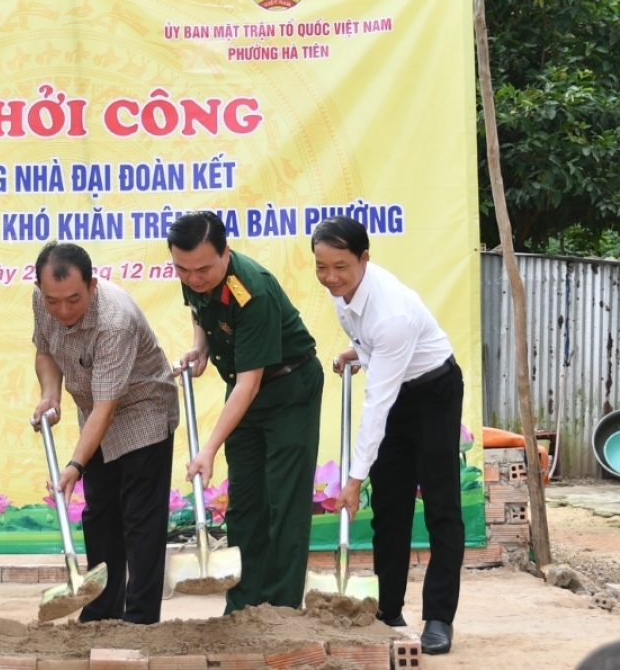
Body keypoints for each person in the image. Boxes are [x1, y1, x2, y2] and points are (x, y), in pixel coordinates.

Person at [311, 215, 464, 655]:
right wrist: (357, 351)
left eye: (340, 266)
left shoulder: (391, 311)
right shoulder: (342, 294)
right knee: (390, 507)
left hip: (433, 391)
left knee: (441, 505)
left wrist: (353, 481)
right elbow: (370, 343)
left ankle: (438, 617)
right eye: (321, 267)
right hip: (396, 386)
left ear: (364, 259)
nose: (330, 277)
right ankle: (390, 611)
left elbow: (377, 402)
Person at [167, 211, 322, 614]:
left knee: (284, 502)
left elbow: (249, 384)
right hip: (245, 393)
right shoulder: (193, 274)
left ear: (225, 253)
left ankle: (281, 609)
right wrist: (200, 348)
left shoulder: (251, 292)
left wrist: (208, 450)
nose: (193, 277)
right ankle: (244, 606)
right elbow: (199, 310)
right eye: (182, 269)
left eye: (202, 268)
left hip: (289, 389)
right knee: (245, 503)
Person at [31, 241, 179, 624]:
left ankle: (140, 618)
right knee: (100, 516)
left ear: (92, 286)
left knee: (139, 520)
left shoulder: (115, 319)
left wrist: (75, 466)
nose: (63, 310)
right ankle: (100, 612)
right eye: (53, 301)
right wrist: (51, 395)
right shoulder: (42, 301)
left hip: (141, 409)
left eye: (73, 300)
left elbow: (107, 405)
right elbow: (45, 352)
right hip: (94, 412)